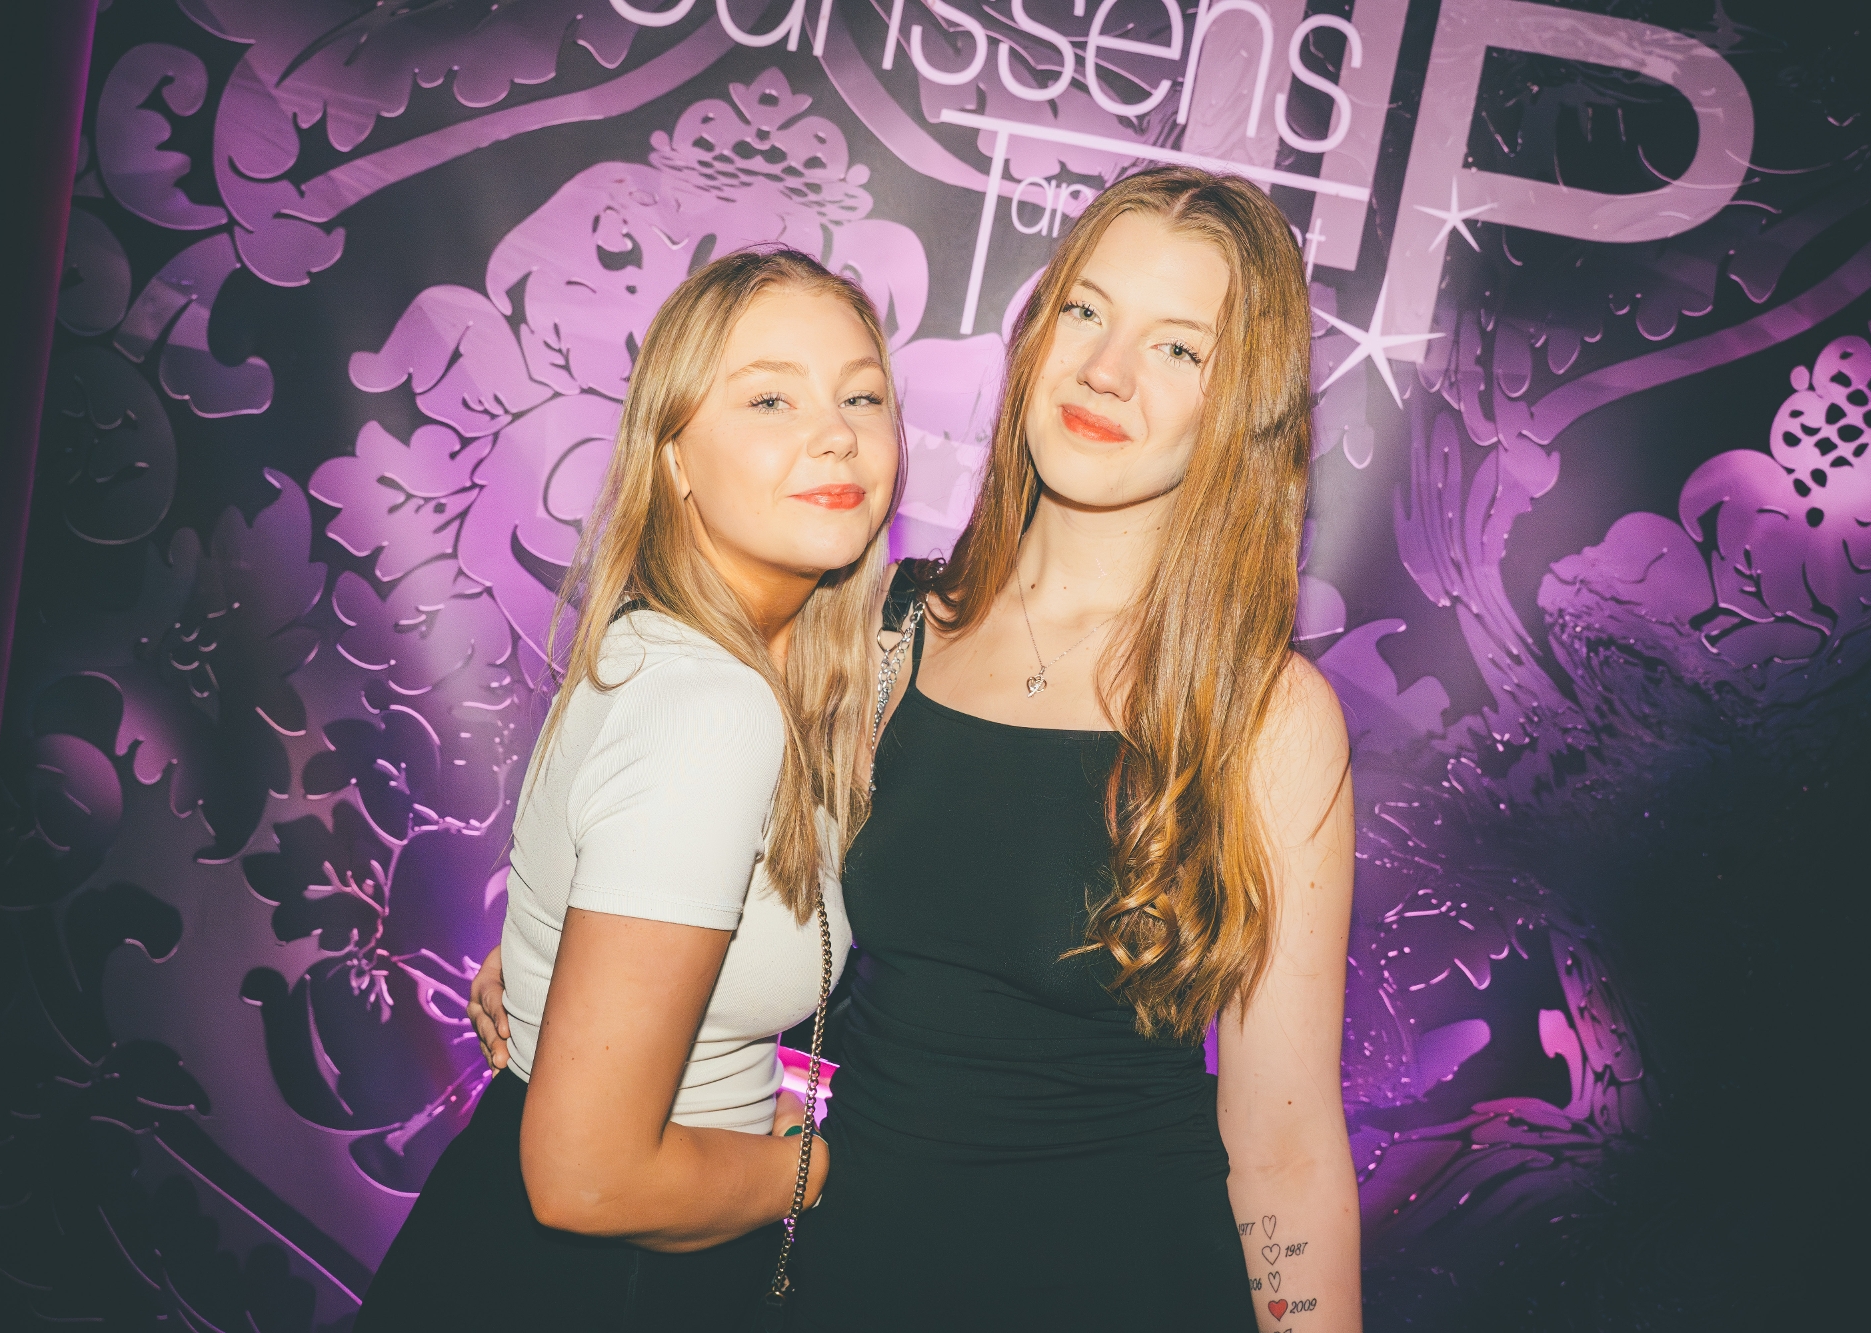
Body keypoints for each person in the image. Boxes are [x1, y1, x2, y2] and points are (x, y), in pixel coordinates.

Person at [476, 166, 1360, 1331]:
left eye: (1177, 348)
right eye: (1084, 311)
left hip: (1124, 1281)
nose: (1105, 370)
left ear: (1240, 404)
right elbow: (666, 831)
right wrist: (544, 967)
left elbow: (1285, 1147)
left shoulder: (1263, 713)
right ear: (1034, 334)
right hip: (848, 1271)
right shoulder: (874, 628)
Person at [358, 247, 900, 1330]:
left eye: (862, 395)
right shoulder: (711, 704)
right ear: (674, 457)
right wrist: (821, 1167)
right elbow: (588, 1180)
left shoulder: (728, 663)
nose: (836, 432)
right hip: (591, 1282)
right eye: (770, 398)